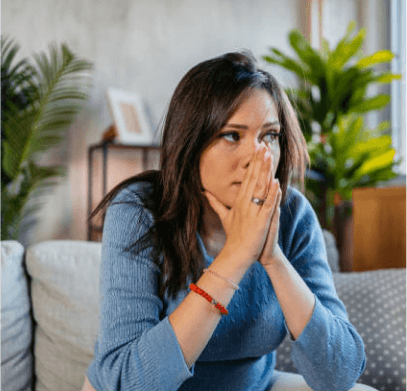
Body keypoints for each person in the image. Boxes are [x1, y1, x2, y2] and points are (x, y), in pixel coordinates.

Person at [81, 51, 377, 391]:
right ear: (190, 146)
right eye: (232, 135)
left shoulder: (292, 214)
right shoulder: (138, 210)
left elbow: (339, 374)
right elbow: (129, 381)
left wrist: (272, 258)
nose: (258, 157)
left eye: (269, 136)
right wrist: (235, 256)